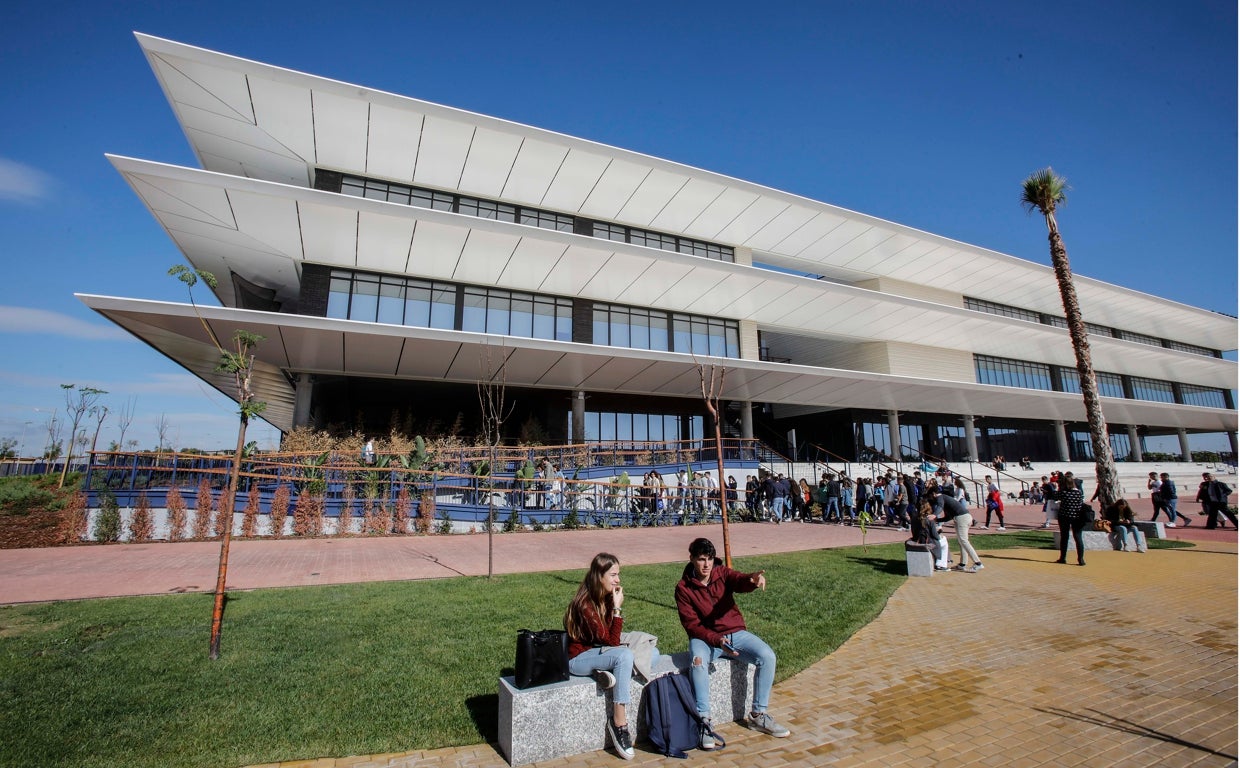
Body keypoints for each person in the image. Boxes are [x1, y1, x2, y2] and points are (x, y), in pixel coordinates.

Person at [675, 538, 790, 750]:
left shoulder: (721, 573)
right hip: (705, 639)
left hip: (735, 633)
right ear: (691, 559)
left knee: (767, 656)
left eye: (709, 559)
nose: (706, 565)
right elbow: (692, 626)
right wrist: (716, 640)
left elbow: (738, 580)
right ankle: (704, 721)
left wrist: (752, 580)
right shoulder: (683, 588)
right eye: (701, 560)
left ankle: (758, 715)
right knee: (698, 661)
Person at [564, 553, 637, 759]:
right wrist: (617, 608)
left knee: (653, 652)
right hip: (578, 659)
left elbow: (610, 639)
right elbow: (612, 642)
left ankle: (603, 671)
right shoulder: (585, 604)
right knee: (623, 656)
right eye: (613, 575)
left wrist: (612, 607)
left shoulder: (603, 597)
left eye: (618, 574)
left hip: (599, 652)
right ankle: (619, 724)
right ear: (599, 576)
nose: (618, 580)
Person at [930, 484, 983, 572]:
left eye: (931, 496)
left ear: (934, 494)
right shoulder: (945, 499)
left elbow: (939, 506)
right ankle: (962, 564)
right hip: (964, 517)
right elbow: (948, 517)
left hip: (962, 518)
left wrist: (934, 515)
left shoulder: (940, 497)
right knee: (961, 541)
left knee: (964, 541)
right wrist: (937, 519)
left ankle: (978, 563)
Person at [1055, 471, 1088, 566]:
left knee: (1064, 537)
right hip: (1077, 517)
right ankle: (1081, 559)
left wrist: (1059, 488)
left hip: (1064, 516)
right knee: (1078, 537)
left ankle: (1063, 557)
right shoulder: (1078, 493)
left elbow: (1054, 496)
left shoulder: (1063, 492)